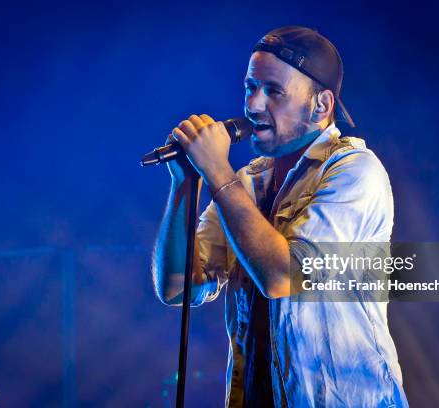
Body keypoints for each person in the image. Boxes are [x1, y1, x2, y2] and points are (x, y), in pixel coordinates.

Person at [152, 26, 408, 407]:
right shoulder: (247, 184)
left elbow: (283, 275)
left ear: (321, 105)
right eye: (250, 87)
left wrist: (217, 172)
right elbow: (177, 287)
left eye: (273, 91)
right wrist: (185, 184)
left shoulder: (355, 173)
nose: (253, 105)